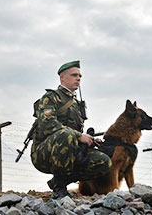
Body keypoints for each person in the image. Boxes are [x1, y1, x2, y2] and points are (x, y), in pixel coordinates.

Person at [30, 61, 112, 199]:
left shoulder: (76, 104)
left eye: (80, 76)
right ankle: (59, 189)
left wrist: (89, 140)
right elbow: (47, 125)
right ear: (62, 77)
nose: (78, 78)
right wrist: (78, 136)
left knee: (104, 161)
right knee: (66, 135)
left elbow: (77, 132)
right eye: (74, 75)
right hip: (43, 153)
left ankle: (59, 181)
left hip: (69, 148)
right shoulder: (50, 98)